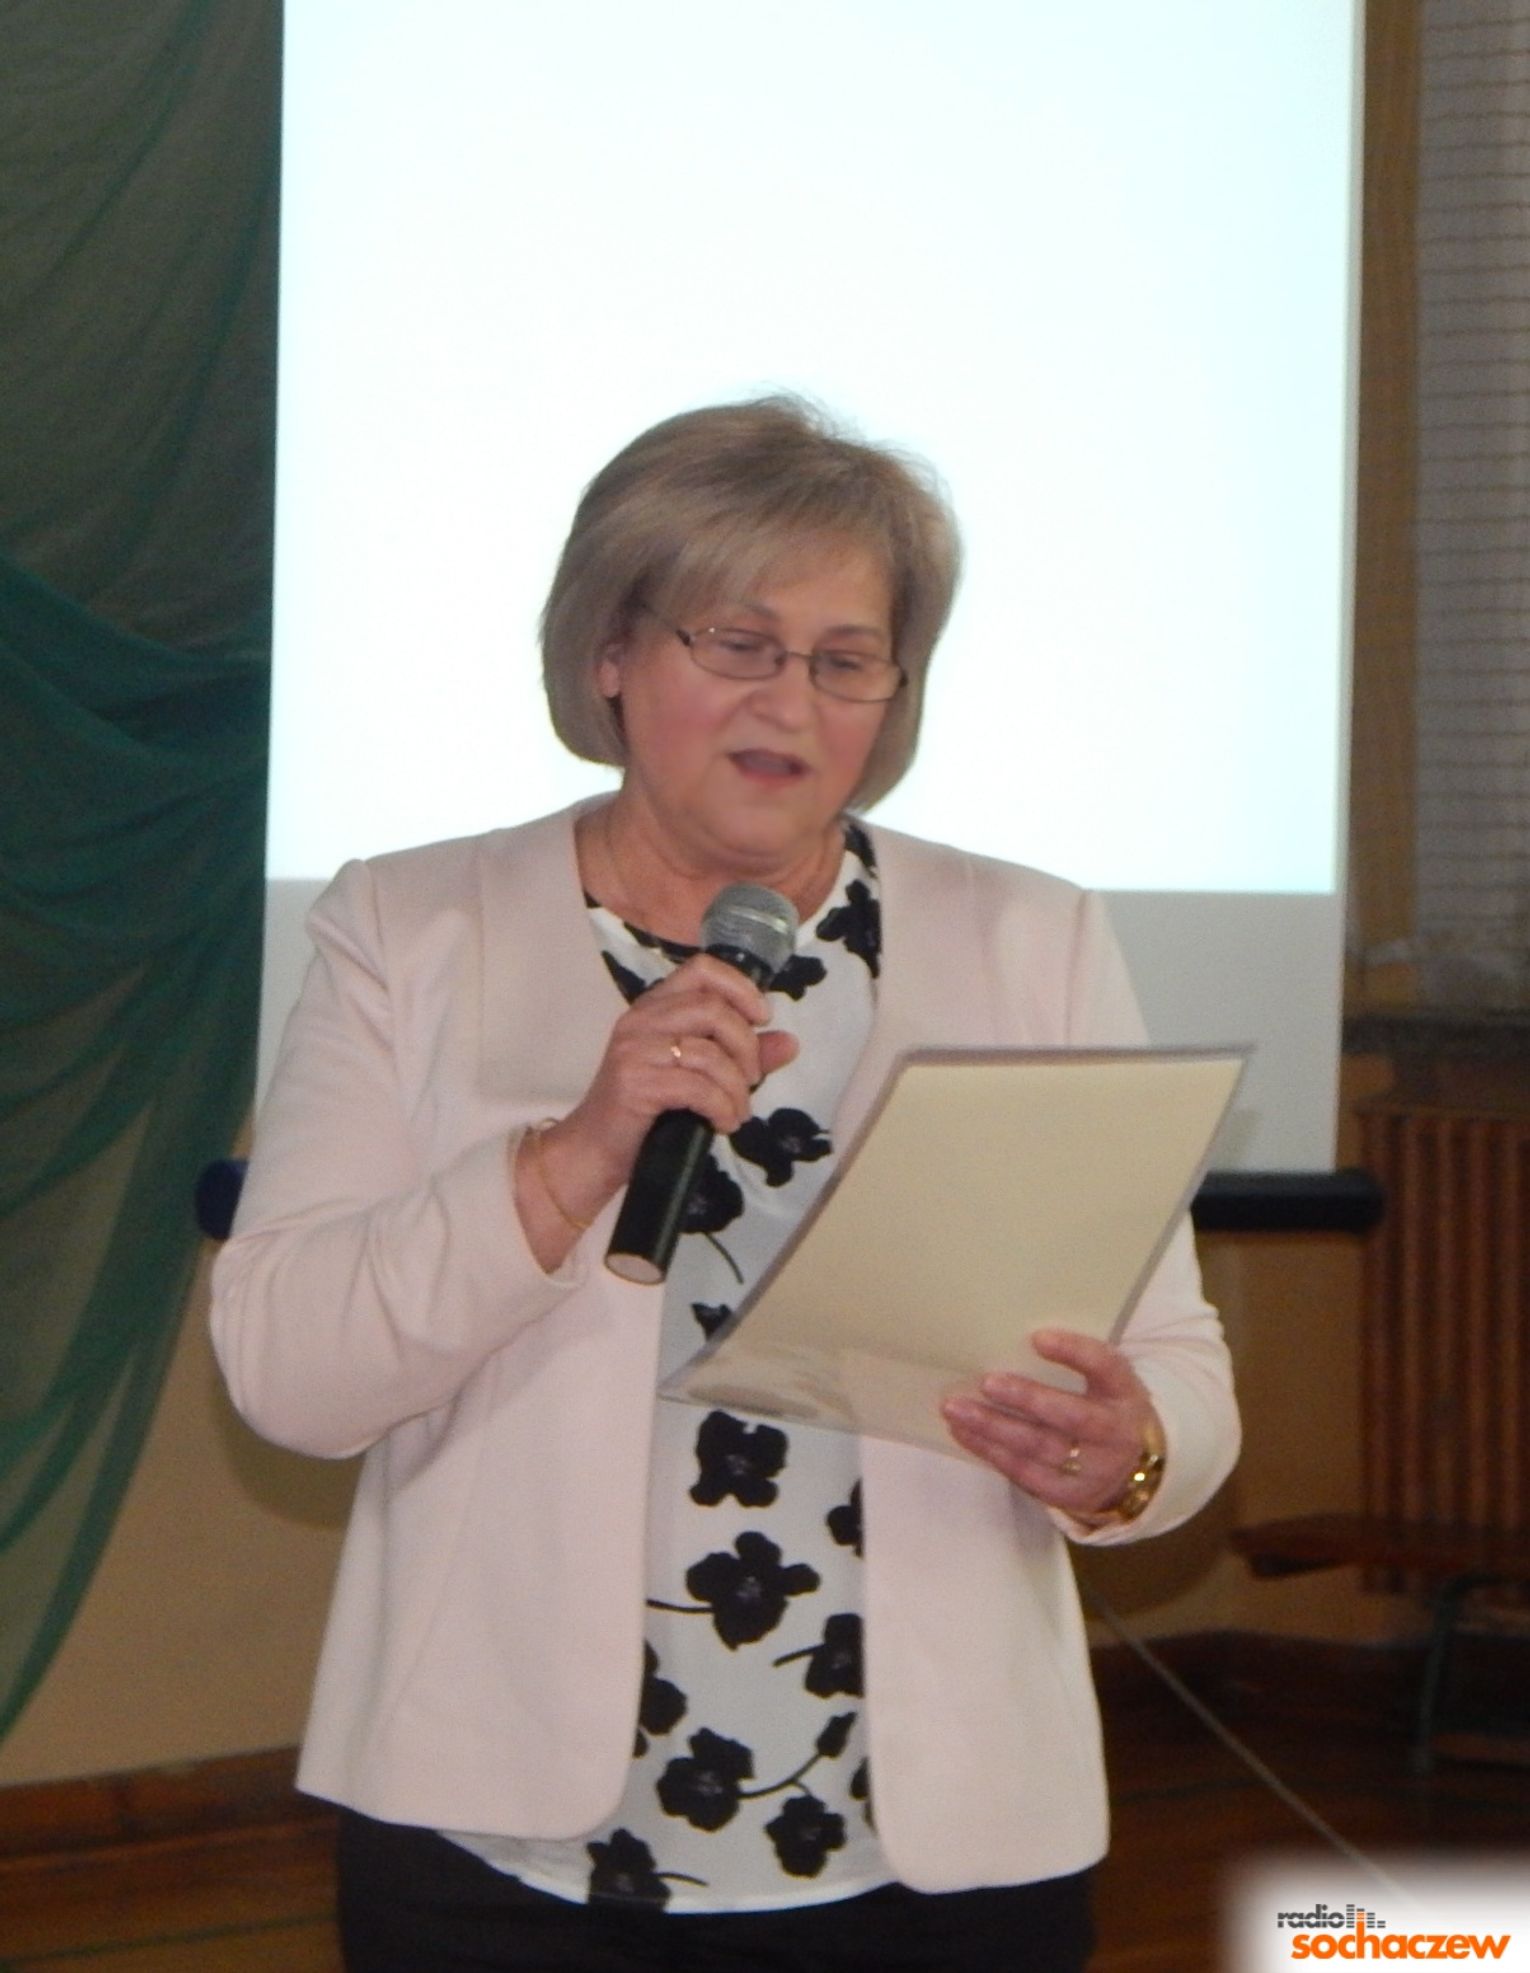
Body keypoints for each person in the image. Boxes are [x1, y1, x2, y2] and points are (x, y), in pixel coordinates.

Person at [211, 396, 1239, 1972]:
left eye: (845, 658)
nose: (792, 700)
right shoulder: (412, 929)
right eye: (740, 644)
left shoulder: (1029, 939)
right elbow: (290, 1368)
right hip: (501, 1851)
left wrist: (1128, 1454)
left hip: (936, 1851)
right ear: (610, 652)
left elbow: (1172, 1361)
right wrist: (571, 1157)